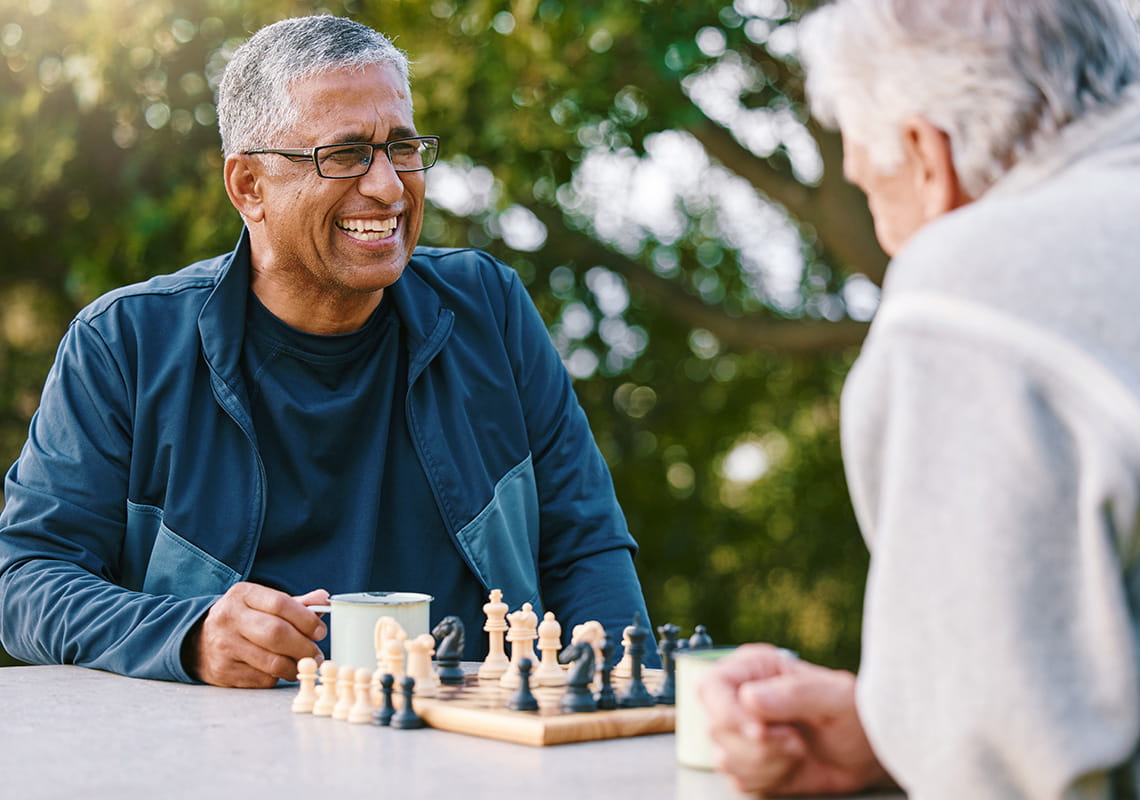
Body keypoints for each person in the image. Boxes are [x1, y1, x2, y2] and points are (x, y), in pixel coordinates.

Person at [0, 15, 652, 688]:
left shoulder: (489, 308)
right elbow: (25, 580)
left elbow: (587, 545)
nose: (389, 187)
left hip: (475, 751)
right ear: (248, 187)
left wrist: (621, 712)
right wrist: (186, 635)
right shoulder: (123, 344)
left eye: (401, 146)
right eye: (344, 155)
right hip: (221, 764)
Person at [700, 0, 1140, 797]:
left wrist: (956, 750)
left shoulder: (970, 291)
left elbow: (1005, 779)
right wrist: (894, 732)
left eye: (868, 184)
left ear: (926, 157)